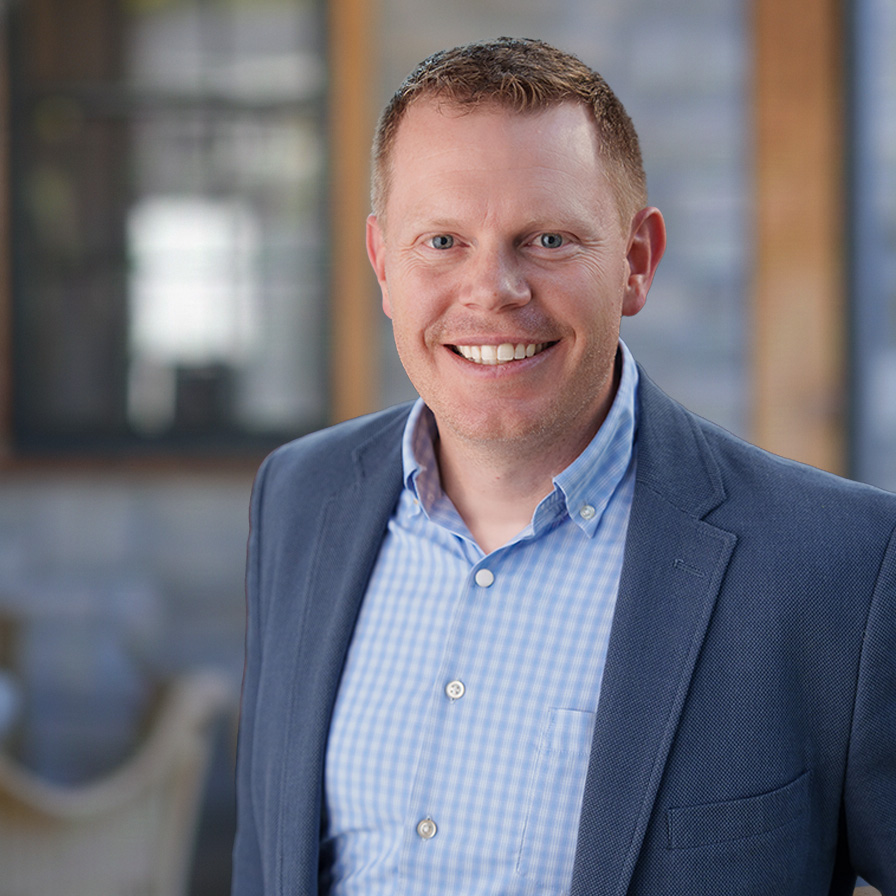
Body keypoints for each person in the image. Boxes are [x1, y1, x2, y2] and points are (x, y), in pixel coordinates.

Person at [232, 37, 896, 895]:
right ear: (382, 264)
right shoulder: (298, 497)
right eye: (441, 241)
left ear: (636, 262)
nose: (492, 290)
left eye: (546, 238)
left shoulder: (841, 566)